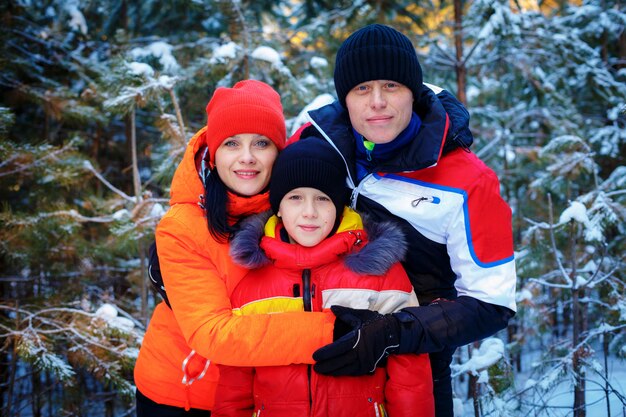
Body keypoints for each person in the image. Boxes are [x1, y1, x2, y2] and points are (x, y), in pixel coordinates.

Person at [294, 24, 517, 417]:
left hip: (417, 376)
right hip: (310, 371)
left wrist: (394, 332)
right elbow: (247, 184)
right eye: (362, 88)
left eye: (391, 86)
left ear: (413, 92)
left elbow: (491, 303)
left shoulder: (469, 181)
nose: (377, 101)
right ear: (344, 97)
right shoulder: (315, 144)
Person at [133, 80, 335, 416]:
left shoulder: (295, 209)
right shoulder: (182, 226)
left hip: (262, 395)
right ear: (213, 153)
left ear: (278, 150)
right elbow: (214, 333)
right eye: (231, 143)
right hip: (185, 396)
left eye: (261, 143)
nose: (247, 158)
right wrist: (335, 331)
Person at [212, 138, 435, 417]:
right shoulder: (251, 280)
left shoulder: (381, 274)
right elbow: (235, 381)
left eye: (322, 199)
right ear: (278, 207)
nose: (309, 212)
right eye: (295, 198)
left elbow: (410, 374)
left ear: (339, 206)